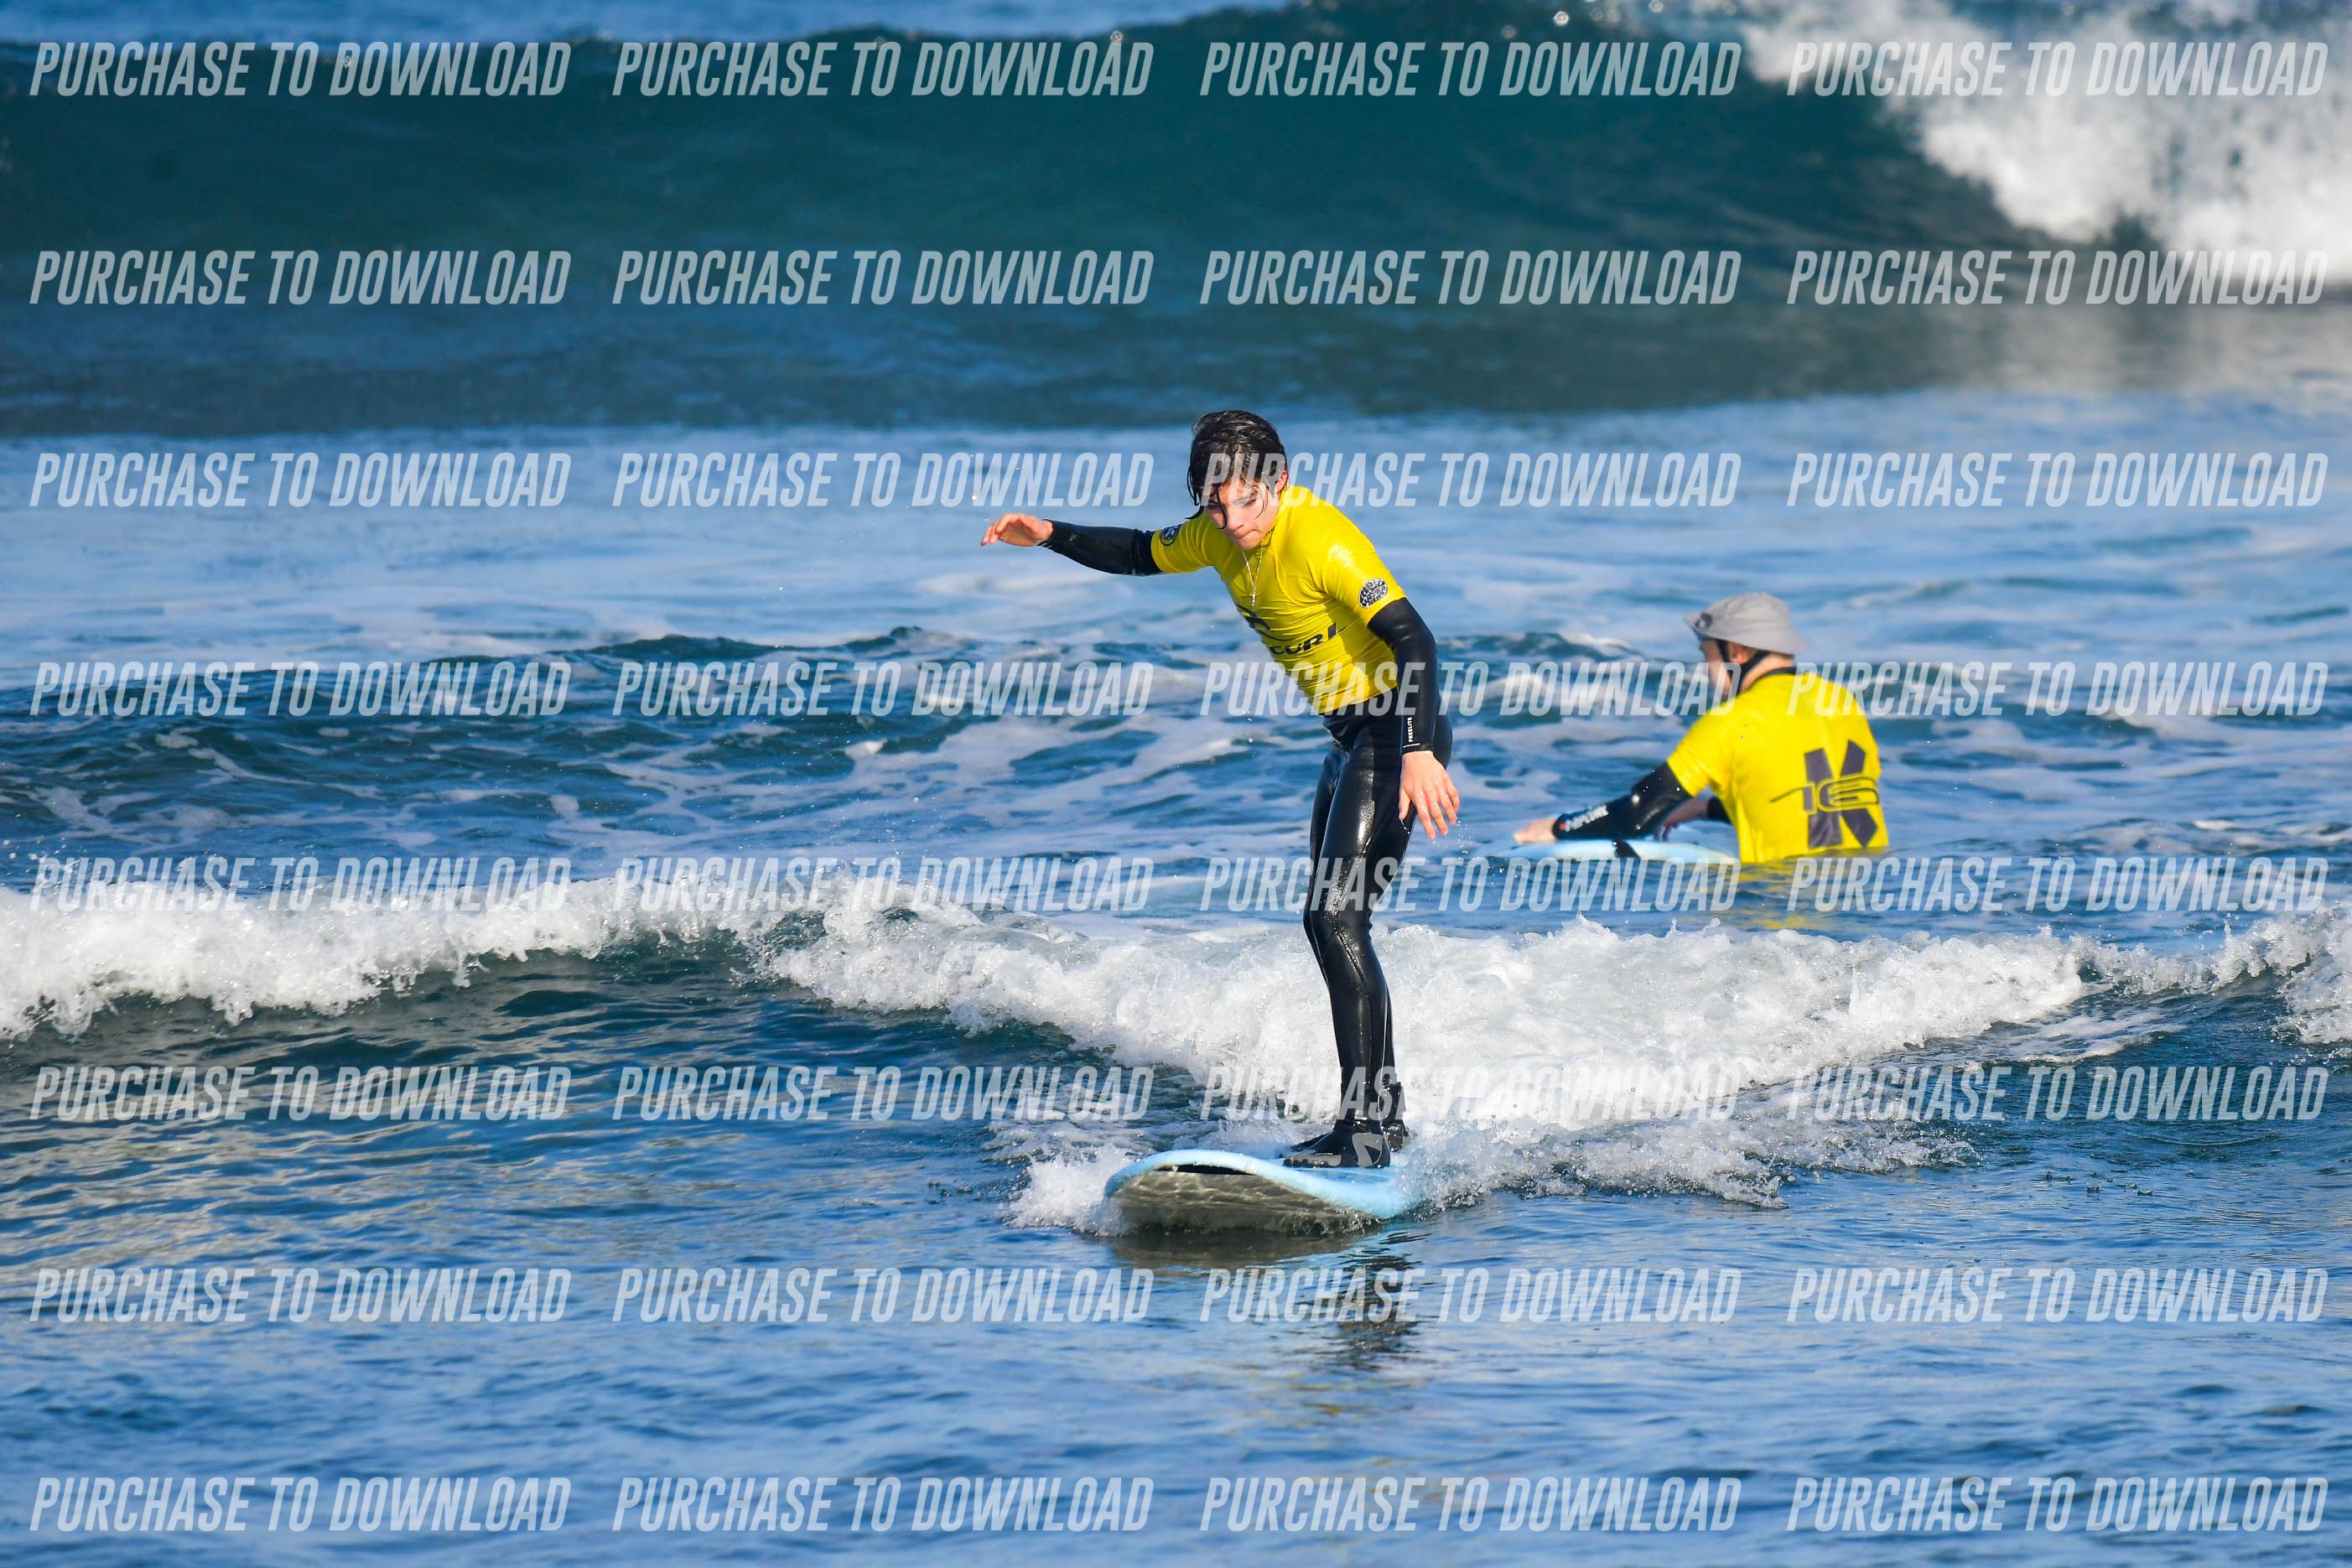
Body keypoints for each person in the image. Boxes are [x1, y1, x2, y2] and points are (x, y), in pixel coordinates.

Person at [983, 411, 1458, 1168]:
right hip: (1348, 743)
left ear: (1280, 481)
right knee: (1330, 925)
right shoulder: (1218, 534)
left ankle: (1367, 1130)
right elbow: (1138, 552)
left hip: (1393, 734)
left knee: (1335, 918)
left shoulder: (1321, 540)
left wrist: (1416, 751)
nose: (1233, 522)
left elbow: (1413, 638)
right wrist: (1049, 534)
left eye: (1248, 501)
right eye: (1215, 506)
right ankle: (1379, 1119)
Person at [1514, 592, 1886, 861]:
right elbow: (1805, 801)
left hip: (1783, 905)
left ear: (1737, 652)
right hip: (1863, 891)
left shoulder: (1733, 720)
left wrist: (1560, 827)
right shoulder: (1841, 701)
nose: (1707, 671)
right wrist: (1705, 808)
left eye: (1707, 655)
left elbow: (1639, 813)